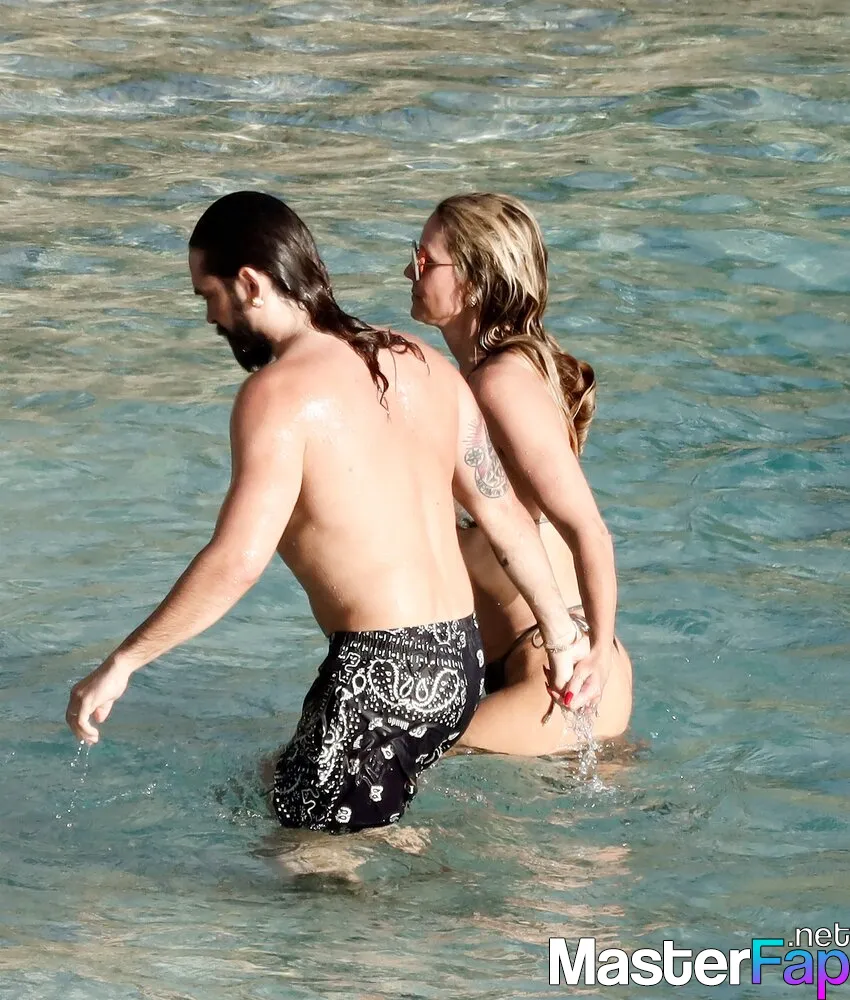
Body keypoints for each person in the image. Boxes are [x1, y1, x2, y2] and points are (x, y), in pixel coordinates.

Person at [66, 191, 584, 833]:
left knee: (311, 865)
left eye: (209, 296)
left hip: (380, 676)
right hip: (458, 662)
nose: (211, 317)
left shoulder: (276, 396)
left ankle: (424, 898)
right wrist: (563, 639)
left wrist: (123, 663)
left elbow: (236, 562)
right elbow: (505, 519)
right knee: (283, 785)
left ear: (250, 283)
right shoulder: (423, 363)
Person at [404, 192, 633, 755]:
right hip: (534, 665)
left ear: (475, 282)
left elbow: (588, 528)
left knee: (349, 773)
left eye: (425, 259)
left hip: (557, 670)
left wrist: (598, 656)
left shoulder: (501, 383)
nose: (409, 270)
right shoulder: (486, 378)